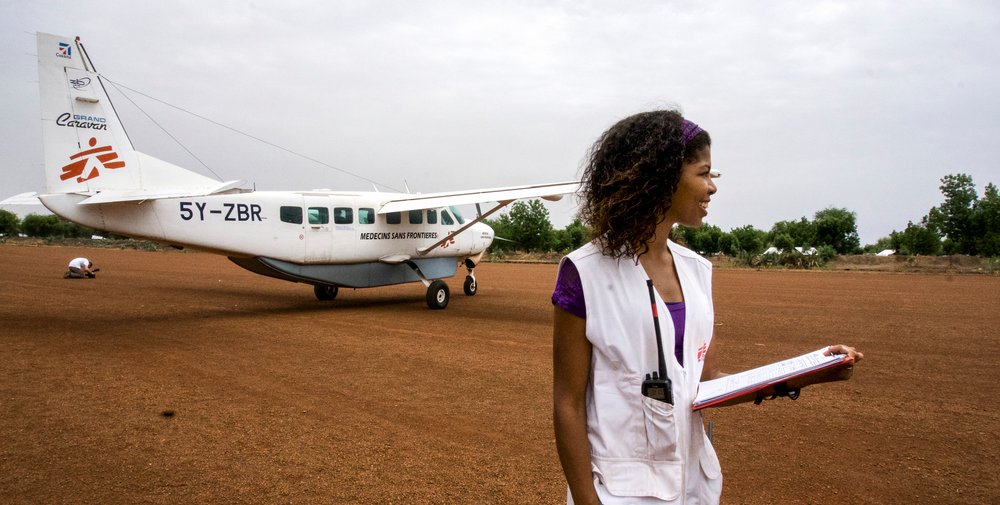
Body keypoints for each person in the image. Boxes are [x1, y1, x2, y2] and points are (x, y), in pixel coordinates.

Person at [551, 110, 863, 505]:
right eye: (704, 173)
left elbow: (708, 382)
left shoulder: (698, 272)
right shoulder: (583, 272)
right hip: (616, 493)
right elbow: (567, 402)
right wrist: (586, 501)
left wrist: (809, 373)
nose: (712, 187)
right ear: (661, 177)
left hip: (695, 489)